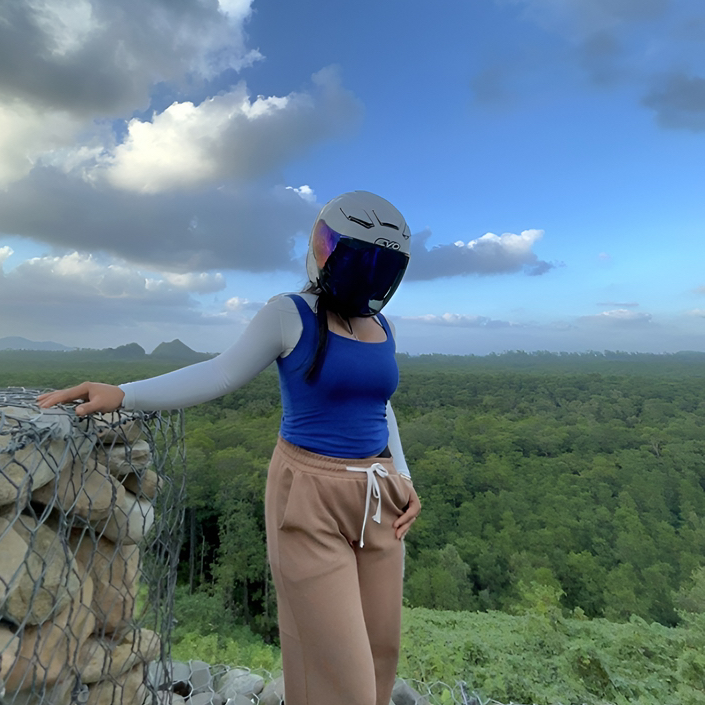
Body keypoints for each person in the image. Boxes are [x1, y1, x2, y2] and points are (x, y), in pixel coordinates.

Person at [37, 190, 421, 705]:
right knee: (340, 673)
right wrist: (125, 394)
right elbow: (220, 373)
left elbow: (379, 404)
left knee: (381, 652)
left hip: (379, 495)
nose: (365, 273)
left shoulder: (382, 327)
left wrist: (404, 476)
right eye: (356, 258)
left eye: (376, 264)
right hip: (311, 495)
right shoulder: (291, 314)